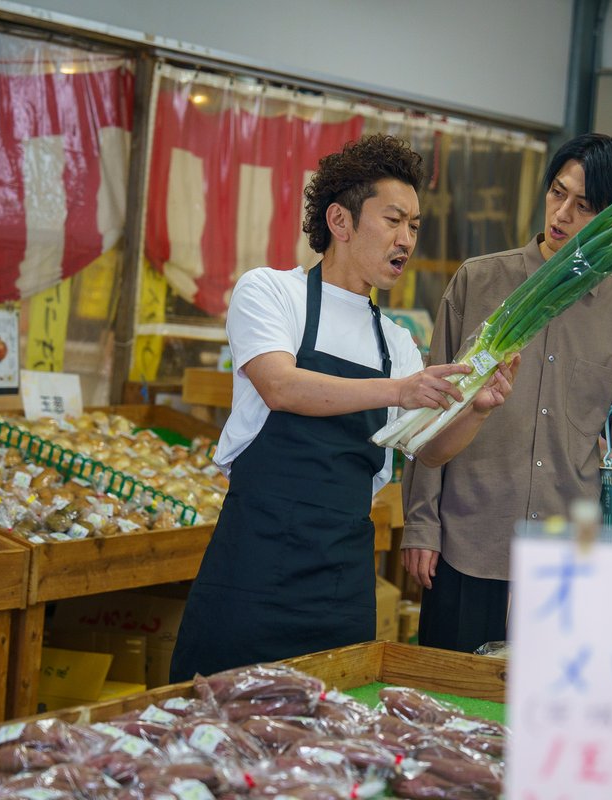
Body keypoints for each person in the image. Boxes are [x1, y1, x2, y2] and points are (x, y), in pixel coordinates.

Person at [169, 134, 518, 679]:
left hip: (340, 581)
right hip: (253, 569)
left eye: (415, 226)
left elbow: (427, 451)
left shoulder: (396, 342)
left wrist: (477, 410)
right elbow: (280, 386)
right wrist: (398, 390)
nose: (407, 238)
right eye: (394, 220)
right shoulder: (270, 293)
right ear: (340, 220)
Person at [401, 132, 612, 653]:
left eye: (584, 205)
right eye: (557, 192)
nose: (562, 213)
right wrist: (420, 525)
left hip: (563, 563)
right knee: (449, 710)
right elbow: (429, 411)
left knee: (537, 721)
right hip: (467, 544)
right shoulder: (478, 283)